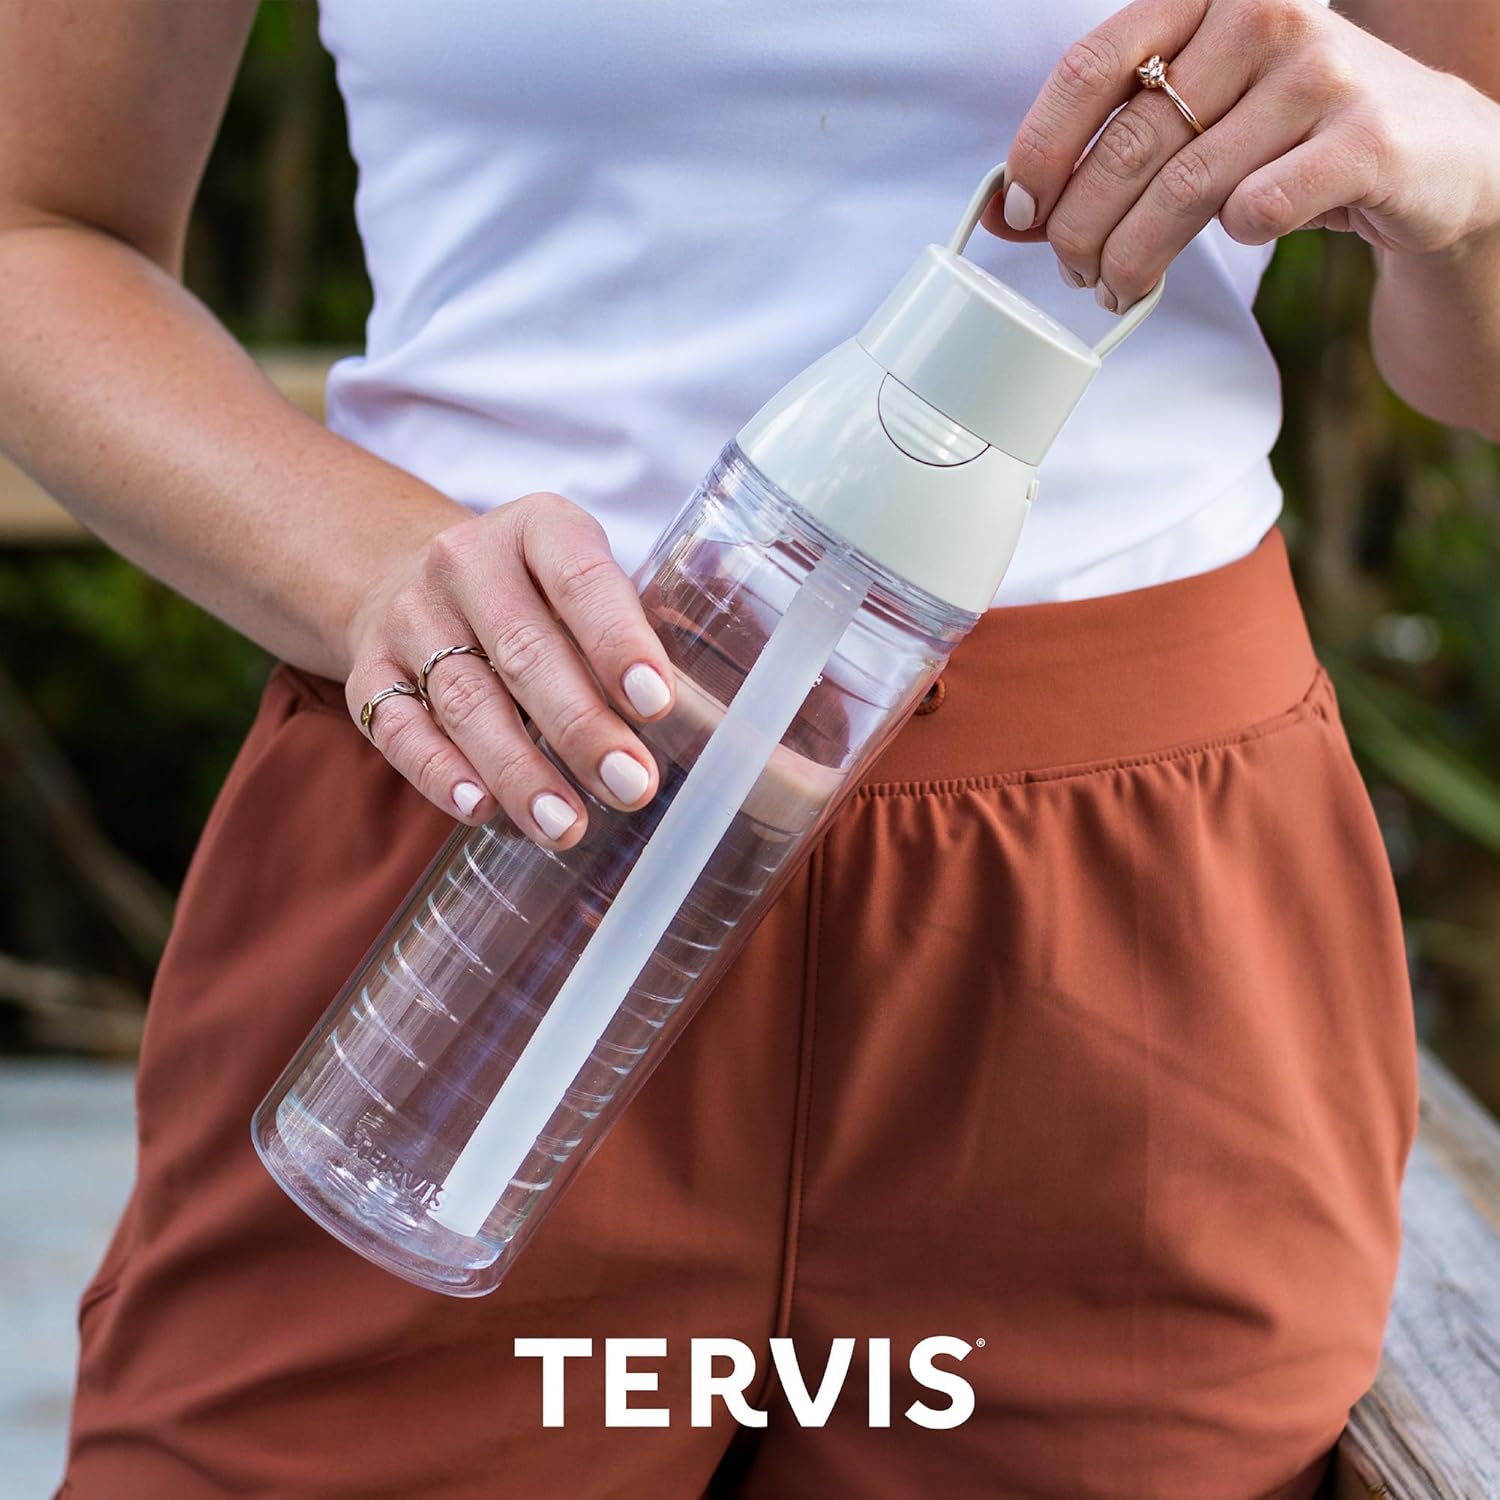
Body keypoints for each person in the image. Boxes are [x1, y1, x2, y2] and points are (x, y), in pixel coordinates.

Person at [3, 0, 1496, 1494]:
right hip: (483, 829)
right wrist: (368, 565)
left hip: (1123, 913)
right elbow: (33, 228)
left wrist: (1469, 179)